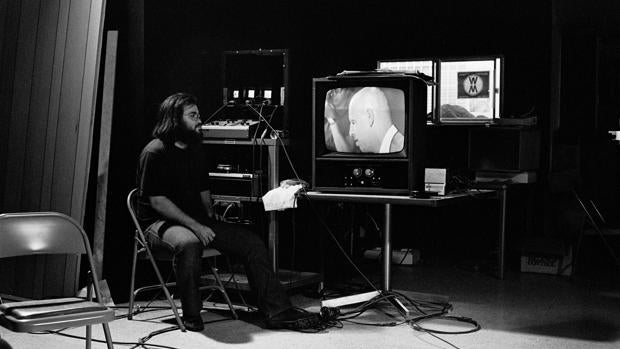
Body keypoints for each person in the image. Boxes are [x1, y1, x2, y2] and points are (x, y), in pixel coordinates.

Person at [135, 92, 319, 331]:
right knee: (189, 243)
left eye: (198, 115)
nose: (198, 120)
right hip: (157, 226)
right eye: (192, 116)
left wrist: (212, 218)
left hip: (194, 220)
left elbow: (203, 189)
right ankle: (192, 315)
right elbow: (158, 202)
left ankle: (277, 310)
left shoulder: (195, 149)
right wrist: (197, 226)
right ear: (174, 119)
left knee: (250, 242)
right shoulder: (154, 152)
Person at [347, 87, 404, 153]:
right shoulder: (397, 148)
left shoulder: (398, 149)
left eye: (353, 122)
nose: (350, 133)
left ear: (370, 116)